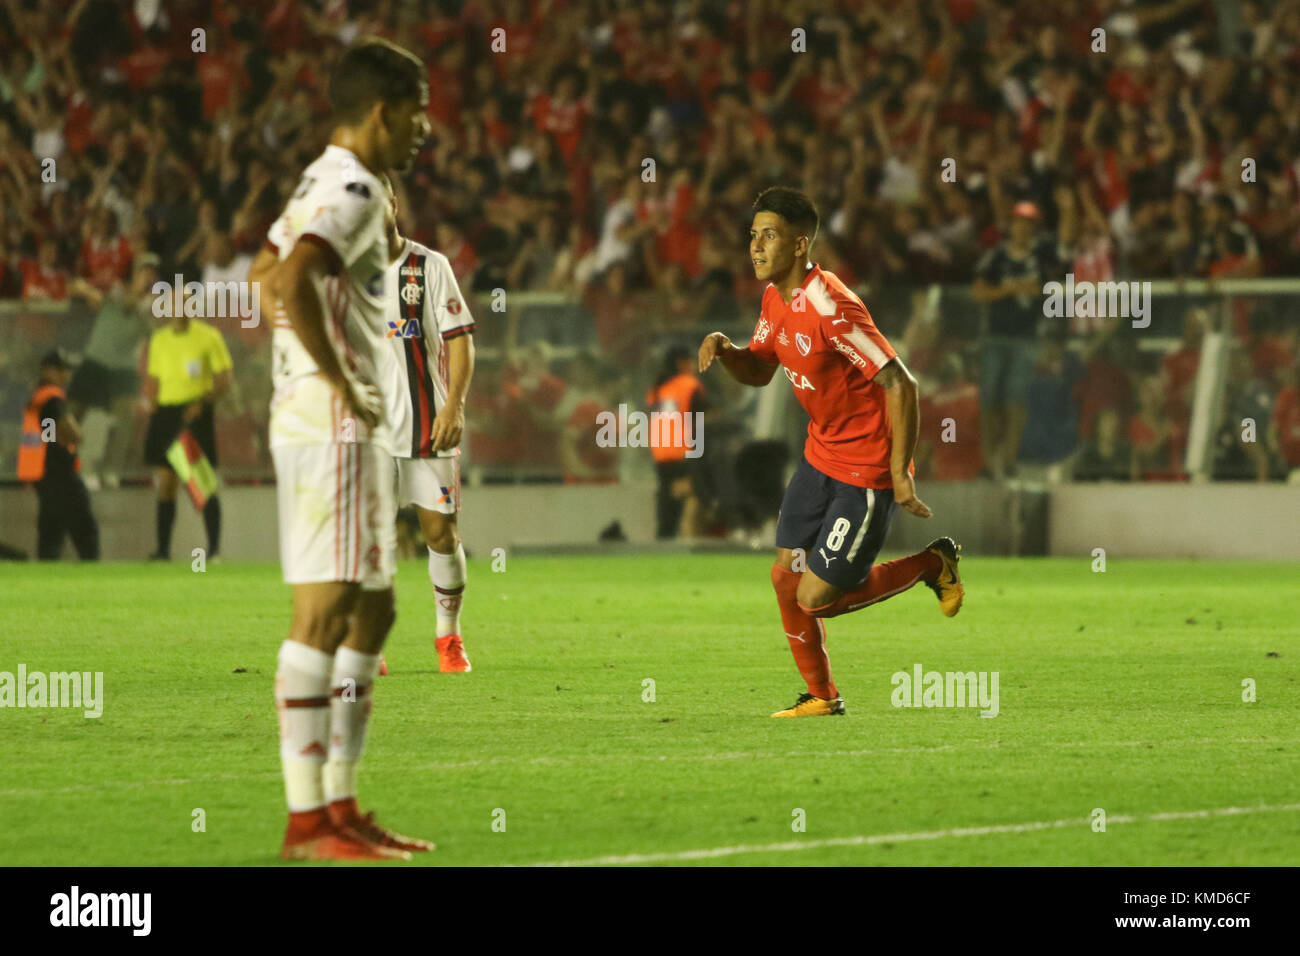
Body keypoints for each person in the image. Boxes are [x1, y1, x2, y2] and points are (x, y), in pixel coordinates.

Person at [244, 37, 433, 861]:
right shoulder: (353, 187)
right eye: (419, 113)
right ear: (385, 113)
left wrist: (298, 364)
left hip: (332, 419)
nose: (427, 130)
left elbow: (261, 271)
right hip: (334, 424)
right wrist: (335, 377)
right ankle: (308, 821)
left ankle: (341, 805)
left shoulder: (325, 180)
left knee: (376, 606)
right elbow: (288, 280)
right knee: (324, 612)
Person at [698, 187, 963, 718]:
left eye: (767, 236)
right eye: (752, 236)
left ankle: (932, 564)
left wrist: (899, 473)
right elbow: (762, 368)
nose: (755, 247)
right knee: (784, 577)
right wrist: (729, 353)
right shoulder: (776, 297)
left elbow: (900, 381)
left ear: (799, 245)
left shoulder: (831, 307)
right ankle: (822, 695)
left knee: (816, 599)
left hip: (866, 468)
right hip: (821, 456)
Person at [380, 186, 476, 674]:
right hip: (369, 430)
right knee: (368, 542)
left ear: (394, 204)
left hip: (427, 423)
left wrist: (454, 407)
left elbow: (461, 342)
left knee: (440, 534)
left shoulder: (429, 266)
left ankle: (449, 638)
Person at [971, 201, 1061, 478]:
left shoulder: (1043, 258)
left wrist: (1015, 289)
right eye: (1019, 222)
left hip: (1025, 337)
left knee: (1015, 398)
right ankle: (989, 460)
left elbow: (1049, 290)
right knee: (990, 400)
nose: (1022, 228)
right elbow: (979, 292)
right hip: (996, 336)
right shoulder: (996, 257)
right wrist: (1009, 290)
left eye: (1028, 224)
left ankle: (1009, 459)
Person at [141, 300, 233, 560]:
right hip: (166, 414)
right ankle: (162, 551)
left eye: (186, 302)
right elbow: (153, 377)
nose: (180, 308)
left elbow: (224, 378)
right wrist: (152, 401)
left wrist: (203, 402)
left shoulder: (208, 336)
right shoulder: (159, 339)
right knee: (166, 483)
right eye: (175, 302)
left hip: (193, 414)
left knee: (201, 483)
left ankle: (213, 551)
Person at [66, 254, 157, 487]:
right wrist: (90, 292)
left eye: (152, 275)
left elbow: (156, 332)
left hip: (124, 369)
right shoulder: (113, 292)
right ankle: (60, 464)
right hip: (95, 361)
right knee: (69, 414)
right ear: (133, 275)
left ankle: (110, 471)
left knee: (125, 418)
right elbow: (76, 288)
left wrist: (142, 308)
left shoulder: (154, 307)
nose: (147, 278)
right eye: (143, 273)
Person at [16, 350, 100, 560]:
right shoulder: (52, 397)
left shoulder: (38, 397)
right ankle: (95, 579)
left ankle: (46, 580)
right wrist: (75, 428)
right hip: (60, 473)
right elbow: (72, 434)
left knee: (51, 533)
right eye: (61, 369)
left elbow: (49, 433)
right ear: (47, 370)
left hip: (42, 475)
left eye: (68, 369)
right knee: (85, 530)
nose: (66, 374)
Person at [646, 344, 709, 538]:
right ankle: (688, 539)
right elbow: (704, 416)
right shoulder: (689, 385)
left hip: (662, 454)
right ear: (681, 363)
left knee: (667, 501)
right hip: (685, 452)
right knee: (692, 499)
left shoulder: (657, 389)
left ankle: (664, 538)